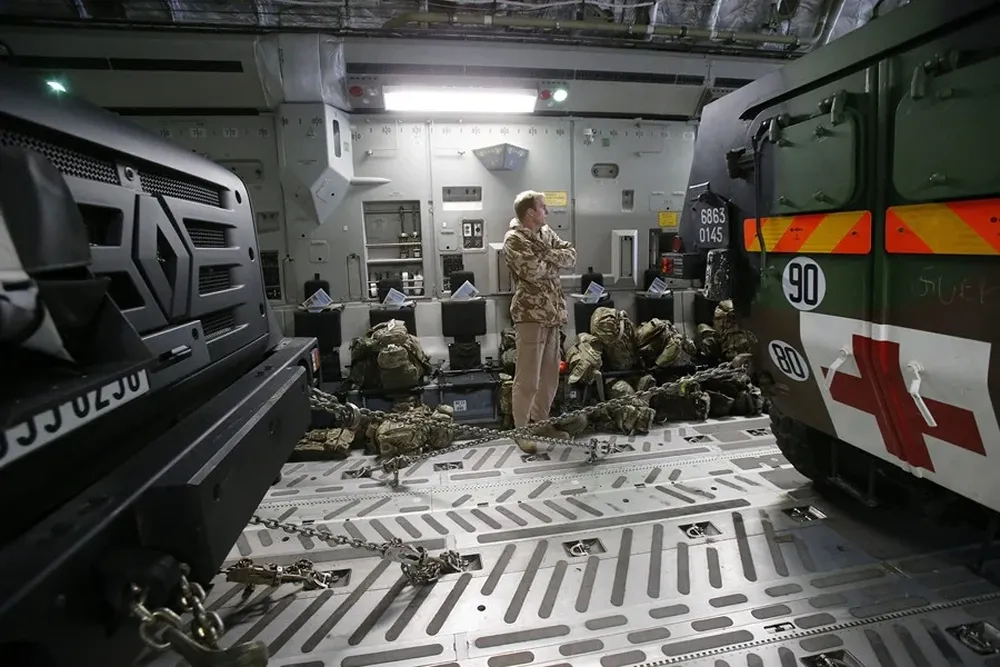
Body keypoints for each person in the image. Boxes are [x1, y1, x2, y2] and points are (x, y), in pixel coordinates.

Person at [503, 190, 577, 453]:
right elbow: (533, 272)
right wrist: (553, 260)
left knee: (549, 376)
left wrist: (545, 253)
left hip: (552, 314)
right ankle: (521, 430)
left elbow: (571, 256)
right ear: (530, 213)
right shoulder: (514, 239)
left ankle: (541, 422)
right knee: (528, 379)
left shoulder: (545, 234)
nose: (547, 211)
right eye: (543, 207)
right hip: (530, 316)